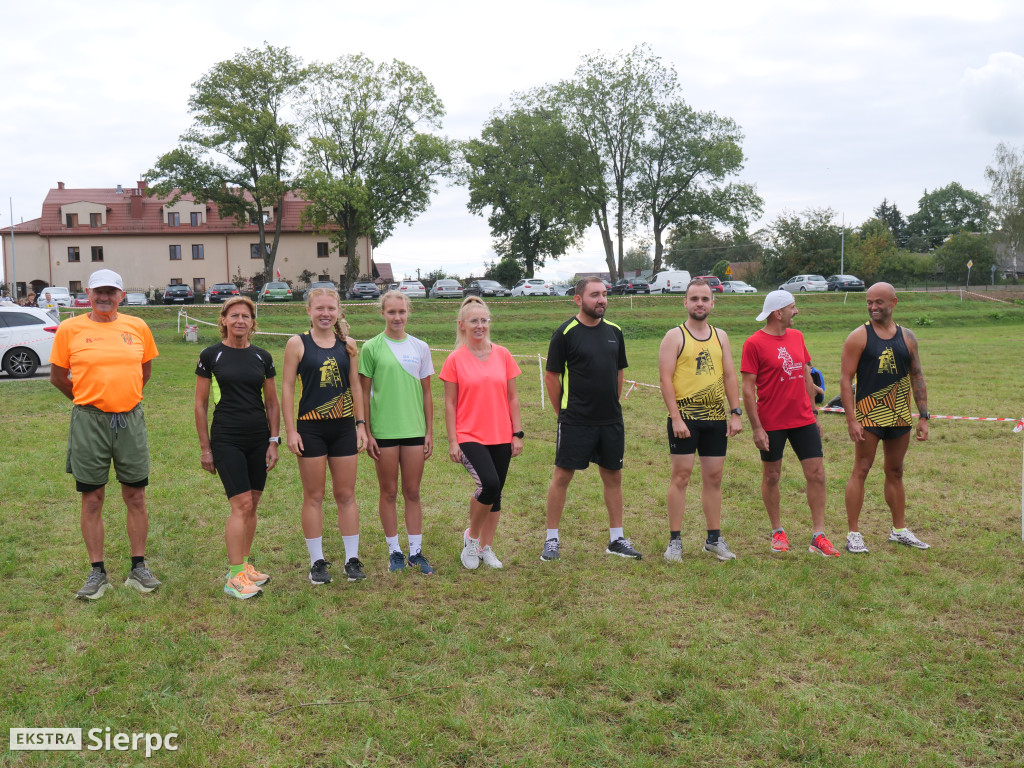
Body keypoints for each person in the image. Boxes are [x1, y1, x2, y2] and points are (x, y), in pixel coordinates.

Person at [49, 268, 161, 599]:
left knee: (135, 495)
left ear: (121, 296)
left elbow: (146, 371)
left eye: (112, 292)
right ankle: (97, 572)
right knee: (92, 496)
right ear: (87, 292)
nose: (105, 297)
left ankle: (139, 568)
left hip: (129, 421)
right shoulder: (70, 329)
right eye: (99, 291)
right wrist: (89, 402)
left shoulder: (137, 326)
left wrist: (122, 400)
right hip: (89, 422)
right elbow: (57, 376)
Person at [541, 276, 641, 562]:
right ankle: (551, 540)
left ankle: (616, 539)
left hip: (610, 420)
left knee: (613, 476)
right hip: (575, 421)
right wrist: (563, 413)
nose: (602, 300)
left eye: (605, 294)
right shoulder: (565, 333)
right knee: (562, 476)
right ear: (578, 299)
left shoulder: (615, 331)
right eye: (595, 294)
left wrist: (613, 403)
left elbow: (619, 371)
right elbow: (552, 376)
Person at [740, 290, 840, 557]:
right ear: (778, 312)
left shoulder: (797, 337)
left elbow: (807, 376)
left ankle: (818, 536)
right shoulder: (754, 343)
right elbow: (748, 390)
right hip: (771, 423)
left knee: (817, 474)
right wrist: (756, 427)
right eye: (793, 308)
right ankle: (777, 532)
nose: (796, 312)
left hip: (803, 420)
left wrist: (815, 413)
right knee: (772, 476)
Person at [194, 296, 282, 599]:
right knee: (241, 505)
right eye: (234, 315)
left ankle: (244, 567)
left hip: (258, 438)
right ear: (224, 320)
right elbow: (200, 404)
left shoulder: (263, 357)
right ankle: (234, 578)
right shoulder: (211, 355)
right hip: (227, 437)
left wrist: (274, 440)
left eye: (246, 316)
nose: (240, 320)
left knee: (254, 503)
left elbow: (272, 402)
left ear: (253, 323)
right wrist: (206, 449)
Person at [282, 287, 367, 585]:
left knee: (346, 495)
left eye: (331, 308)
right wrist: (290, 430)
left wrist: (360, 424)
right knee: (314, 496)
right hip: (311, 429)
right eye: (319, 308)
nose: (325, 313)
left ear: (338, 311)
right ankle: (317, 562)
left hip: (344, 428)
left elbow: (355, 387)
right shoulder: (297, 344)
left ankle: (351, 559)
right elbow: (288, 388)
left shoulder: (349, 345)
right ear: (309, 310)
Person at [840, 282, 931, 552]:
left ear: (894, 302)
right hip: (869, 417)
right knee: (861, 470)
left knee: (896, 472)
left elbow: (917, 375)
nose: (873, 307)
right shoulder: (859, 336)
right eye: (869, 302)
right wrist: (851, 420)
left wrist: (924, 416)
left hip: (900, 417)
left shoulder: (908, 337)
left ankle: (899, 530)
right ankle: (853, 534)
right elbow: (845, 380)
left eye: (879, 302)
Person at [658, 279, 743, 562]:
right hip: (686, 420)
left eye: (705, 299)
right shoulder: (674, 336)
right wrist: (676, 418)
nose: (699, 303)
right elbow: (665, 379)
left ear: (712, 303)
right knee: (681, 477)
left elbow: (730, 375)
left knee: (714, 478)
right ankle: (674, 542)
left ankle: (713, 539)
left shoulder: (721, 336)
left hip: (716, 419)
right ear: (685, 302)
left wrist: (735, 412)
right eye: (694, 298)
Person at [440, 296, 524, 570]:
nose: (479, 325)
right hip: (469, 435)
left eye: (484, 320)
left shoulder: (503, 354)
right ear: (462, 325)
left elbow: (512, 397)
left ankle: (487, 547)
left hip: (501, 434)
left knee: (496, 493)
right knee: (488, 484)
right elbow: (450, 403)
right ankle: (471, 538)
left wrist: (517, 433)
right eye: (473, 321)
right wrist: (453, 440)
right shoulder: (454, 359)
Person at [359, 290, 435, 575]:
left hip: (414, 430)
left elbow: (427, 393)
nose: (397, 317)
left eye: (401, 312)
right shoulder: (372, 347)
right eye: (391, 312)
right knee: (389, 492)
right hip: (384, 432)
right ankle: (395, 552)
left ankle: (416, 552)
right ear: (383, 313)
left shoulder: (420, 347)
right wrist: (366, 431)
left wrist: (429, 431)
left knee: (412, 491)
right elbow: (363, 394)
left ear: (408, 313)